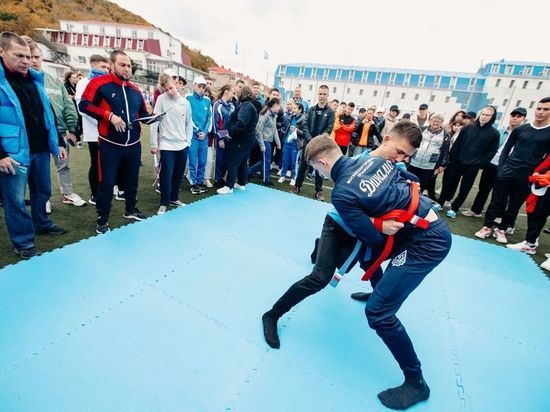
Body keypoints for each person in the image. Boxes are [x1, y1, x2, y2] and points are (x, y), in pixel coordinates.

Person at [262, 125, 451, 410]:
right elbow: (401, 182)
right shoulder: (376, 159)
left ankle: (416, 383)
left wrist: (391, 214)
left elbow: (373, 235)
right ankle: (273, 314)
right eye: (399, 152)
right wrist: (394, 209)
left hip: (422, 240)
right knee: (322, 276)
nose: (400, 158)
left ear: (323, 164)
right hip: (338, 226)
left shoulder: (370, 165)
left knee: (378, 312)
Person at [0, 31, 68, 259]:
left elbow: (48, 113)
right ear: (2, 52)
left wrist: (57, 142)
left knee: (43, 191)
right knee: (16, 200)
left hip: (39, 148)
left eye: (28, 56)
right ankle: (23, 241)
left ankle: (42, 223)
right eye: (19, 56)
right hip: (13, 152)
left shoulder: (35, 79)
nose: (26, 61)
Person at [79, 50, 151, 234]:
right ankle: (102, 219)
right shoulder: (99, 84)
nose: (127, 69)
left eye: (129, 65)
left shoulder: (135, 91)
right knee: (107, 182)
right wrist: (108, 116)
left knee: (132, 181)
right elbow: (84, 105)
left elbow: (143, 116)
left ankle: (130, 209)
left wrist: (155, 118)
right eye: (123, 65)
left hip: (133, 145)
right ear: (112, 65)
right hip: (110, 145)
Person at [23, 37, 86, 210]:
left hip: (58, 132)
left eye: (37, 56)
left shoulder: (54, 81)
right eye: (30, 57)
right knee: (37, 170)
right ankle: (43, 200)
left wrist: (72, 129)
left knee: (63, 165)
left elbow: (68, 105)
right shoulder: (21, 82)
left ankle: (68, 193)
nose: (34, 61)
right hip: (34, 135)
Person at [475, 98, 550, 243]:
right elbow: (506, 149)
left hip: (527, 174)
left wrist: (538, 172)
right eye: (539, 108)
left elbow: (547, 158)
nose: (541, 112)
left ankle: (502, 229)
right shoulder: (521, 129)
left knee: (514, 205)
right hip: (508, 170)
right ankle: (486, 227)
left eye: (546, 109)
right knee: (496, 201)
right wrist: (502, 167)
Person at [436, 106, 500, 218]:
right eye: (483, 114)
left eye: (488, 115)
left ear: (492, 117)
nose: (484, 117)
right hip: (457, 162)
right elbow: (457, 144)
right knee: (447, 184)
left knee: (465, 188)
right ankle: (440, 203)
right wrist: (452, 159)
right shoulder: (467, 128)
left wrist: (480, 164)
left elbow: (491, 152)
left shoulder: (494, 133)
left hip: (473, 166)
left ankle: (454, 208)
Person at [463, 107, 527, 218]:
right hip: (491, 164)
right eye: (513, 116)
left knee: (502, 193)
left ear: (524, 119)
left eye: (519, 117)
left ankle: (499, 215)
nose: (515, 119)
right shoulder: (500, 131)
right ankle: (476, 210)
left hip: (508, 166)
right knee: (483, 189)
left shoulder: (523, 134)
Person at [150, 73, 193, 215]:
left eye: (170, 88)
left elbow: (189, 124)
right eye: (165, 89)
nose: (169, 92)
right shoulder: (161, 99)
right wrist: (153, 143)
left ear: (176, 84)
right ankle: (164, 202)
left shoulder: (185, 103)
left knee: (178, 174)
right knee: (166, 175)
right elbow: (154, 122)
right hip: (166, 144)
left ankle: (174, 198)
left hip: (182, 145)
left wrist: (188, 141)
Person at [75, 54, 110, 205]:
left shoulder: (105, 82)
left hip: (107, 130)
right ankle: (95, 194)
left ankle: (106, 189)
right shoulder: (83, 83)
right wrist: (100, 120)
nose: (106, 70)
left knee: (107, 162)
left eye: (107, 67)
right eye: (103, 67)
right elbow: (82, 108)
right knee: (96, 163)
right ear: (93, 66)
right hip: (94, 131)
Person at [292, 84, 335, 201]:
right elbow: (305, 125)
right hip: (308, 143)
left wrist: (317, 142)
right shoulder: (311, 109)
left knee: (320, 169)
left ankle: (318, 191)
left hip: (321, 146)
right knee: (302, 166)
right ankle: (297, 186)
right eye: (320, 93)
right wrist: (310, 139)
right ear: (318, 94)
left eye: (324, 94)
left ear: (328, 95)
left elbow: (328, 129)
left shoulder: (330, 112)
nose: (322, 96)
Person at [216, 86, 261, 195]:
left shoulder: (246, 105)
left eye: (237, 93)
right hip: (246, 138)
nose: (235, 95)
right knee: (242, 162)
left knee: (233, 161)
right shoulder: (249, 104)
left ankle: (229, 186)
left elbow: (241, 123)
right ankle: (241, 183)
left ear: (242, 94)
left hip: (242, 139)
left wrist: (229, 134)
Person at [408, 113, 450, 200]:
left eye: (438, 121)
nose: (435, 123)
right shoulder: (421, 130)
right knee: (408, 182)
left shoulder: (445, 135)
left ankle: (414, 201)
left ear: (442, 123)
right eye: (434, 120)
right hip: (414, 162)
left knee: (421, 185)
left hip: (429, 165)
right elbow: (412, 142)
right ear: (430, 121)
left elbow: (445, 150)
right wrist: (408, 155)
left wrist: (443, 164)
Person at [186, 76, 213, 195]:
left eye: (203, 87)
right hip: (192, 135)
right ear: (194, 85)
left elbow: (209, 118)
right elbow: (187, 118)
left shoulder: (207, 100)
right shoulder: (188, 98)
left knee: (202, 161)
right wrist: (197, 131)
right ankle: (193, 183)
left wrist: (205, 132)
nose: (201, 89)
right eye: (199, 86)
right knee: (192, 160)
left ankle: (200, 182)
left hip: (204, 136)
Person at [248, 98, 281, 185]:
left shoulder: (274, 116)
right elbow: (258, 130)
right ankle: (265, 179)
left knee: (265, 160)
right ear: (274, 105)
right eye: (279, 105)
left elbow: (274, 130)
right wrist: (262, 145)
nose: (279, 107)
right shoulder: (266, 115)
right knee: (267, 160)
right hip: (265, 141)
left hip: (269, 141)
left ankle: (248, 172)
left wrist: (278, 143)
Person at [212, 84, 235, 188]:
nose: (233, 95)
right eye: (232, 92)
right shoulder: (217, 105)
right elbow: (215, 124)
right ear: (226, 92)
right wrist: (220, 139)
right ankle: (218, 179)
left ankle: (222, 178)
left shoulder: (232, 106)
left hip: (230, 137)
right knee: (220, 159)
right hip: (221, 137)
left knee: (227, 160)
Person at [278, 102, 306, 185]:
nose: (293, 110)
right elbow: (286, 128)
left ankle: (293, 178)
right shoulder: (291, 117)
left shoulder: (304, 120)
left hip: (295, 144)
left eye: (295, 108)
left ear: (300, 110)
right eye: (293, 108)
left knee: (294, 162)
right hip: (287, 142)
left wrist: (297, 130)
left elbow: (304, 133)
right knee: (285, 160)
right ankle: (283, 176)